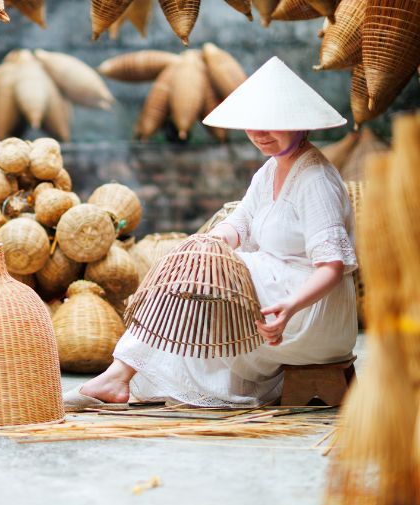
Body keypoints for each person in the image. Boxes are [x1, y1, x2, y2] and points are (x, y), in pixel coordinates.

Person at [64, 57, 358, 409]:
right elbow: (240, 223)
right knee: (195, 261)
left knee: (201, 273)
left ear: (300, 124)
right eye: (252, 126)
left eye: (272, 125)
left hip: (308, 309)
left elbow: (331, 266)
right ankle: (119, 373)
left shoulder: (315, 179)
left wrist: (290, 307)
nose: (259, 134)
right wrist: (209, 245)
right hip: (276, 291)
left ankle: (117, 376)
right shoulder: (269, 171)